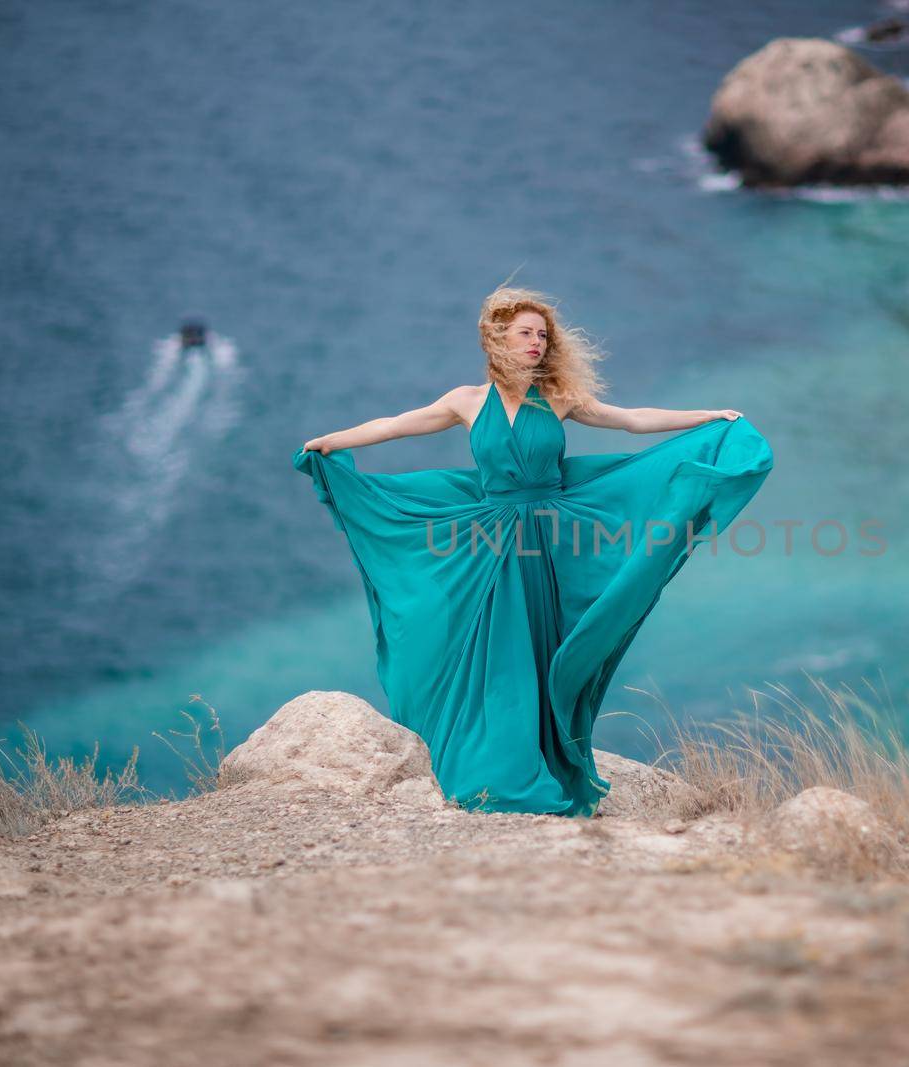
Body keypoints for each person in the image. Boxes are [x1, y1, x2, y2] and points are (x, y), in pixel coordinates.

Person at [294, 286, 773, 817]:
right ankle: (495, 764)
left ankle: (544, 757)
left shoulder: (560, 398)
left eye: (542, 334)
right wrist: (332, 441)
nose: (536, 343)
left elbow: (631, 419)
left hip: (548, 538)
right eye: (525, 332)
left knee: (542, 651)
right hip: (494, 542)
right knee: (498, 655)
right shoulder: (466, 401)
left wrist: (705, 417)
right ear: (496, 338)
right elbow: (394, 426)